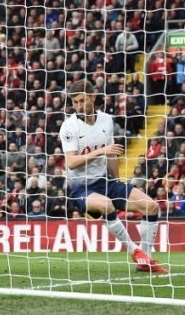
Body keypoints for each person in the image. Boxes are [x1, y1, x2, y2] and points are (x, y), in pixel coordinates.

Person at [60, 79, 167, 273]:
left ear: (93, 97)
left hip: (106, 182)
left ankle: (145, 260)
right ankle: (134, 251)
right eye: (75, 102)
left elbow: (111, 155)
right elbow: (71, 163)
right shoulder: (69, 127)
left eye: (82, 100)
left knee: (151, 207)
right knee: (107, 205)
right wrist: (101, 152)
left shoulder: (106, 120)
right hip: (82, 187)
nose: (78, 106)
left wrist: (117, 180)